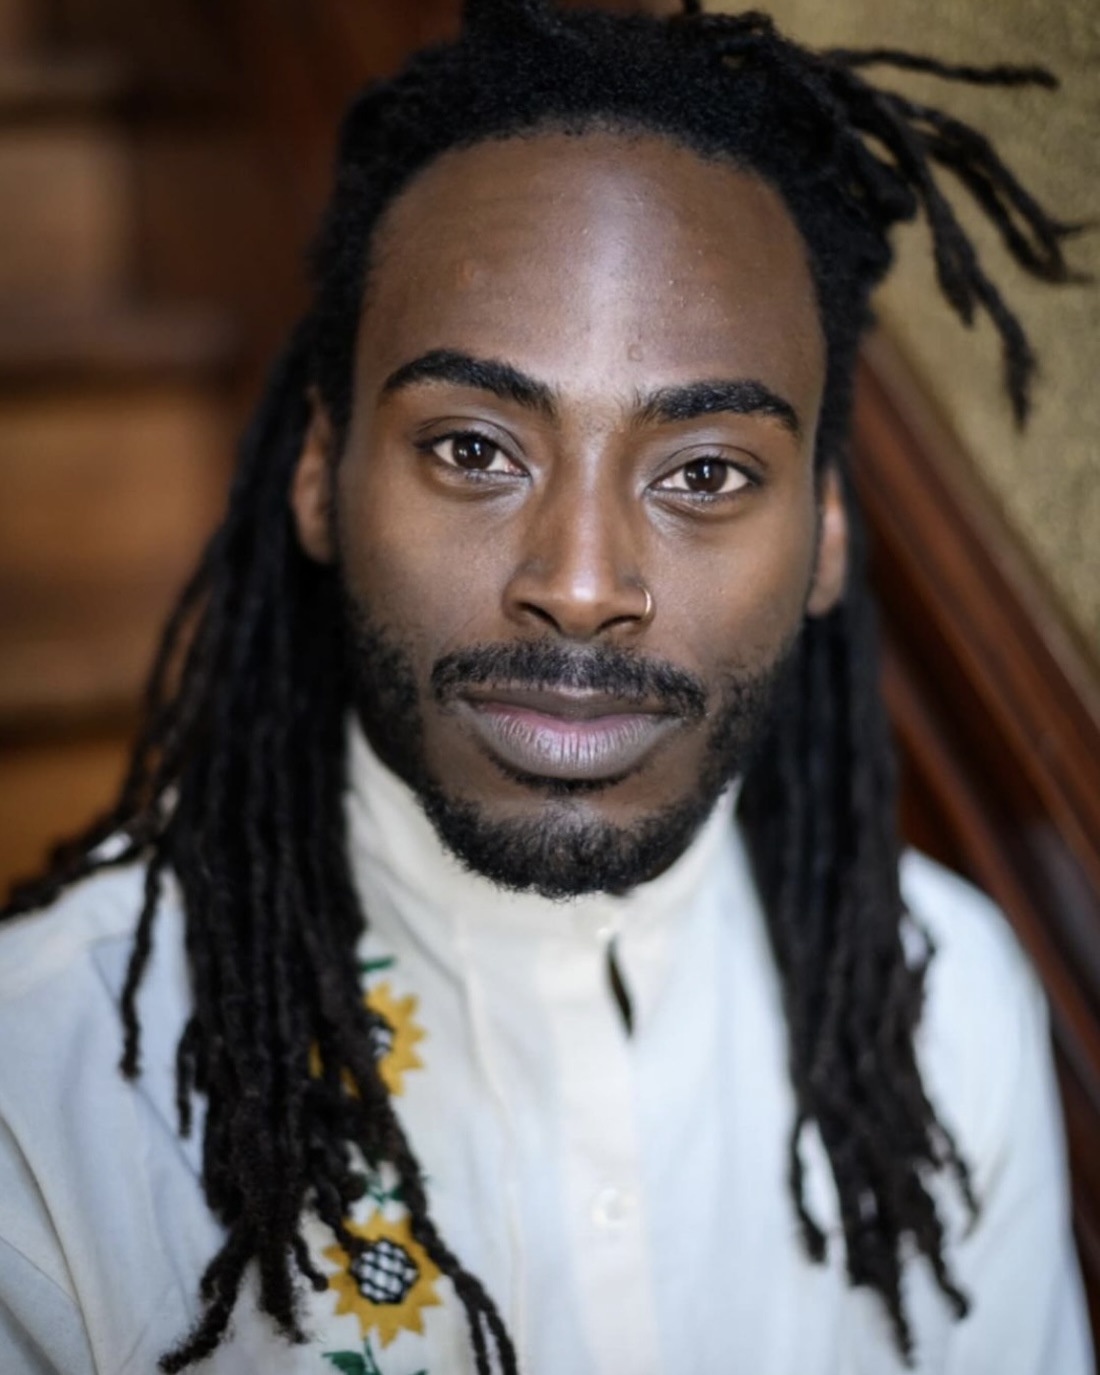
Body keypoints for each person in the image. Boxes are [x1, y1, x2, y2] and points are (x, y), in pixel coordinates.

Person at [0, 2, 1091, 1372]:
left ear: (823, 536)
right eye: (473, 448)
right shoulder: (36, 1095)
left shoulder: (950, 1007)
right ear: (319, 475)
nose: (580, 583)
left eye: (704, 472)